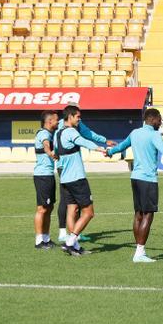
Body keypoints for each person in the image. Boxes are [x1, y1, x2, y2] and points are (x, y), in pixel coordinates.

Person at [106, 108, 163, 262]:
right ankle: (140, 253)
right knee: (148, 215)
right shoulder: (154, 134)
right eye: (159, 120)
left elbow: (121, 146)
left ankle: (139, 250)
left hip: (135, 178)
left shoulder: (135, 133)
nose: (161, 122)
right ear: (153, 119)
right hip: (148, 180)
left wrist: (109, 152)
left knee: (138, 214)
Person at [55, 106, 107, 256]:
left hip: (64, 179)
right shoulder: (71, 131)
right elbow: (84, 141)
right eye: (78, 116)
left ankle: (75, 245)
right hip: (76, 178)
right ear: (70, 117)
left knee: (72, 210)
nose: (79, 119)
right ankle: (70, 242)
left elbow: (56, 154)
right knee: (89, 213)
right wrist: (101, 149)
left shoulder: (58, 133)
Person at [33, 110, 59, 250]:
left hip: (48, 175)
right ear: (49, 121)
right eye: (56, 120)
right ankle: (39, 241)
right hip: (42, 176)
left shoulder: (50, 133)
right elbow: (46, 145)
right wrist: (50, 153)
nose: (58, 121)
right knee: (42, 209)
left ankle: (46, 238)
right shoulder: (43, 133)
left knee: (49, 207)